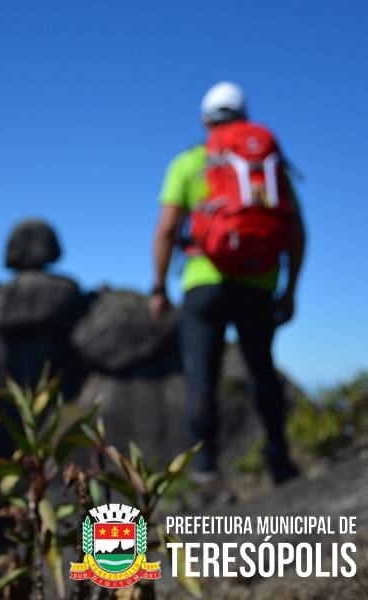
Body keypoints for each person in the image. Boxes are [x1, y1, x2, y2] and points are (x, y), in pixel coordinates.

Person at [149, 81, 306, 485]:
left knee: (202, 377)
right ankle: (279, 460)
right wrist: (290, 290)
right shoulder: (267, 164)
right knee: (262, 371)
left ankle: (207, 474)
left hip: (204, 282)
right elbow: (296, 231)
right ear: (244, 116)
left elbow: (166, 229)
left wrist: (159, 287)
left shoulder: (189, 162)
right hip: (259, 282)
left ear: (205, 120)